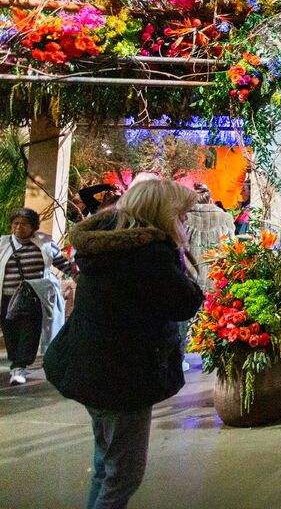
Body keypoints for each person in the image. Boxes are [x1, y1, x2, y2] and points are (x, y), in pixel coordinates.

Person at [43, 180, 203, 509]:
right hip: (121, 377)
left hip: (90, 368)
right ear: (163, 213)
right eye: (181, 215)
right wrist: (181, 259)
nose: (185, 222)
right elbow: (184, 302)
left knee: (105, 467)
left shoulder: (105, 245)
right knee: (123, 476)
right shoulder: (148, 254)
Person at [1, 207, 72, 386]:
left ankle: (19, 367)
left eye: (23, 224)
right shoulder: (3, 243)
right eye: (15, 224)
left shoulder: (45, 243)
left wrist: (78, 273)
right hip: (7, 298)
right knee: (11, 333)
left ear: (33, 227)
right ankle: (16, 362)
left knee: (28, 332)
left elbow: (61, 262)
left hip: (33, 297)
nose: (18, 228)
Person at [183, 183, 235, 289]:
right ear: (210, 200)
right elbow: (231, 248)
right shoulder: (226, 218)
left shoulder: (183, 219)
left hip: (189, 284)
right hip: (217, 282)